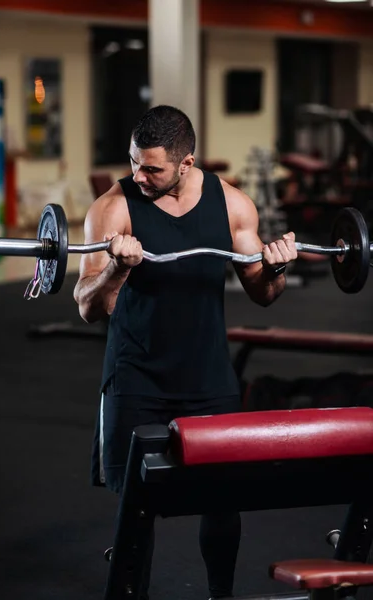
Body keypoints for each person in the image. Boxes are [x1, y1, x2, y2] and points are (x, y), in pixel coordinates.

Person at [73, 105, 298, 600]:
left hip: (208, 377)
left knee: (222, 502)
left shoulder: (234, 205)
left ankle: (221, 594)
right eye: (133, 162)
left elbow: (261, 292)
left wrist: (276, 268)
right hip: (136, 374)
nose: (138, 175)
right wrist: (116, 268)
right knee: (138, 507)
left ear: (187, 162)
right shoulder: (113, 207)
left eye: (151, 167)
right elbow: (90, 306)